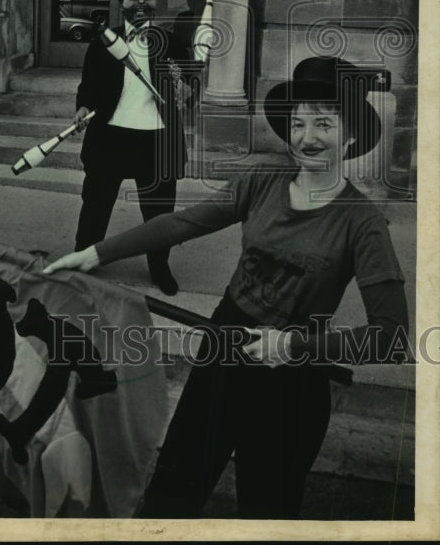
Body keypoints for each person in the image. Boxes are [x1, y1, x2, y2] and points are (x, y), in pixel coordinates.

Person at [44, 56, 409, 518]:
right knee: (175, 487)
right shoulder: (262, 180)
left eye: (324, 124)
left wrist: (296, 345)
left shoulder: (363, 223)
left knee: (268, 505)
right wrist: (96, 253)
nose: (307, 137)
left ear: (351, 135)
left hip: (291, 376)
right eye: (298, 123)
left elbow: (391, 338)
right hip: (224, 347)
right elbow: (185, 222)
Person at [72, 0, 192, 296]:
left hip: (156, 139)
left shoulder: (172, 42)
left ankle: (159, 267)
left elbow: (189, 84)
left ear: (154, 2)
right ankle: (84, 259)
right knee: (95, 206)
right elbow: (89, 86)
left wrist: (185, 88)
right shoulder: (103, 43)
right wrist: (83, 107)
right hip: (110, 136)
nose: (140, 0)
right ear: (121, 3)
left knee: (159, 214)